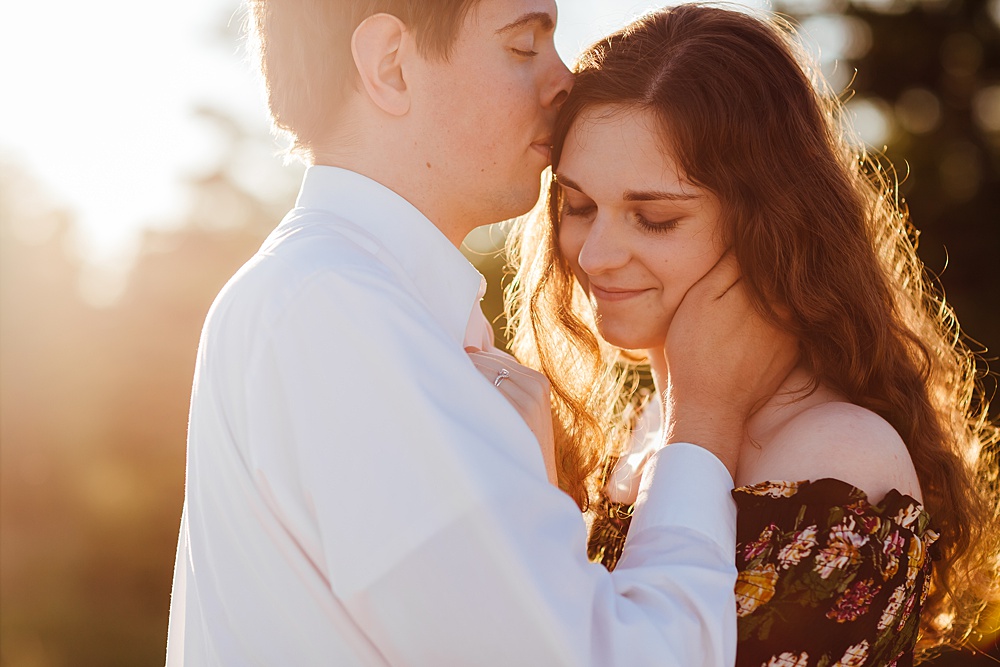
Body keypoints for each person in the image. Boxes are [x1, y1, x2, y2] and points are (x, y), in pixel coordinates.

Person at [165, 1, 798, 664]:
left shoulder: (340, 301)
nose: (565, 78)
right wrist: (702, 422)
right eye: (525, 45)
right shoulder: (339, 314)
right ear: (391, 66)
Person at [500, 5, 1000, 666]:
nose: (594, 254)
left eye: (653, 218)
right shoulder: (645, 427)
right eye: (580, 206)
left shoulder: (832, 455)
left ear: (769, 225)